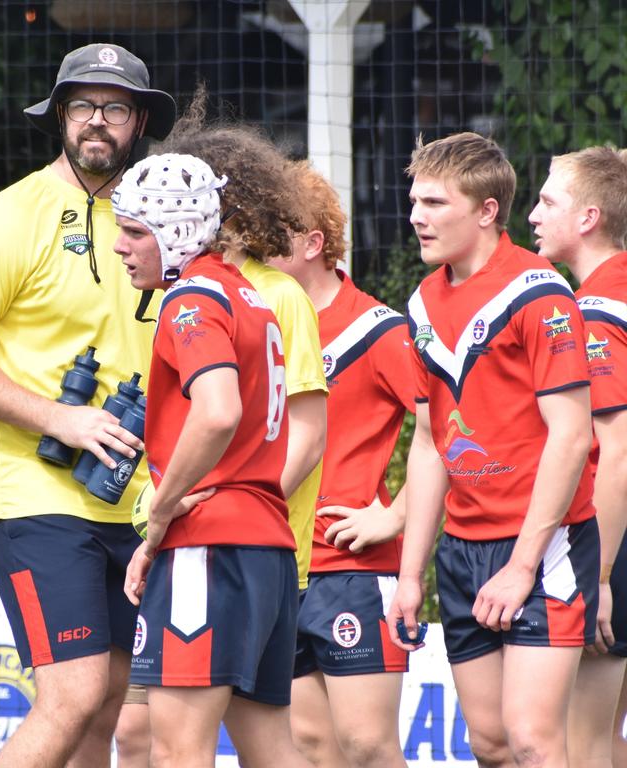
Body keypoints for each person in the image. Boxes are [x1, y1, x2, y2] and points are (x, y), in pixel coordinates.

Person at [0, 43, 176, 767]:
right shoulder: (3, 218)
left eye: (115, 108)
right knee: (75, 692)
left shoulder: (165, 225)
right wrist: (57, 417)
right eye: (83, 106)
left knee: (110, 705)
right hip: (34, 495)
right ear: (60, 116)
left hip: (138, 500)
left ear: (139, 122)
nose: (98, 122)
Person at [113, 95, 329, 768]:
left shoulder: (191, 298)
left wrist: (162, 513)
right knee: (273, 750)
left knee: (176, 749)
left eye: (136, 231)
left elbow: (217, 410)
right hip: (266, 551)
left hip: (212, 548)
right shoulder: (251, 295)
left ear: (175, 233)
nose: (121, 246)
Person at [387, 132, 598, 768]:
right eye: (413, 200)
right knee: (492, 746)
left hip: (546, 543)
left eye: (434, 202)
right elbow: (428, 444)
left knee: (534, 741)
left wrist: (522, 566)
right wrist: (408, 576)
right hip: (462, 549)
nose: (416, 216)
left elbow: (572, 435)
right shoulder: (421, 303)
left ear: (485, 211)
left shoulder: (541, 293)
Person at [265, 161, 415, 768]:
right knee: (309, 747)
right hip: (281, 561)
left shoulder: (378, 330)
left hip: (353, 568)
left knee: (367, 746)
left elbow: (460, 427)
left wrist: (396, 516)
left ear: (312, 243)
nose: (251, 246)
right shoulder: (264, 326)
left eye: (269, 234)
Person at [528, 146, 627, 768]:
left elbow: (615, 448)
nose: (532, 214)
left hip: (612, 543)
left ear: (589, 218)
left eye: (547, 201)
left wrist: (597, 577)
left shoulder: (594, 310)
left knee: (577, 743)